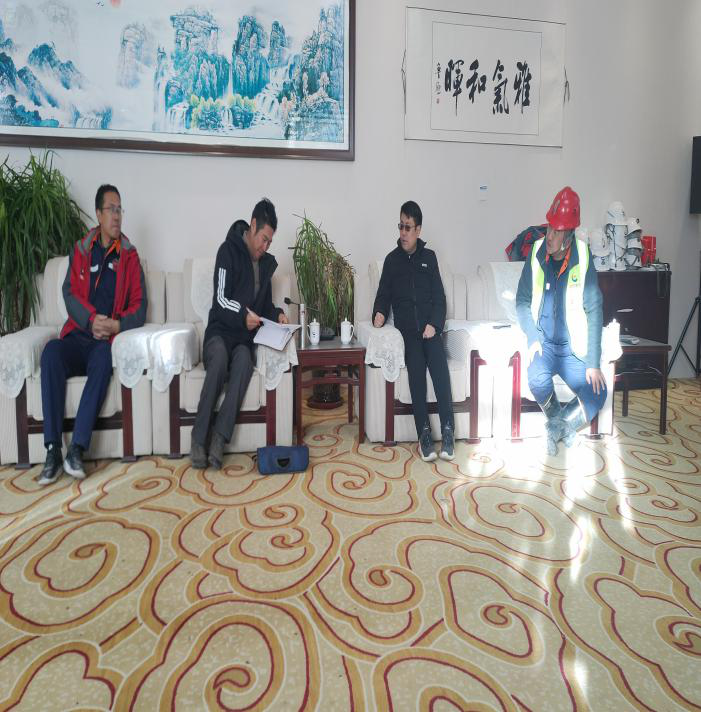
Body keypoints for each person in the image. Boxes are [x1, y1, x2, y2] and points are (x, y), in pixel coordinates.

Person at [38, 184, 147, 485]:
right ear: (98, 214)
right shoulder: (81, 250)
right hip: (78, 335)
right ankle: (52, 450)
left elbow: (140, 307)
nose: (117, 215)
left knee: (102, 362)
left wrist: (116, 325)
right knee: (51, 353)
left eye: (120, 209)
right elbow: (69, 293)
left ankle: (77, 449)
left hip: (104, 341)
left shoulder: (129, 256)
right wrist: (89, 320)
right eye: (112, 209)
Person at [190, 198, 288, 470]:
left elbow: (264, 307)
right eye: (264, 239)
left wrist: (278, 313)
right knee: (220, 358)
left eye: (270, 242)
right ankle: (198, 439)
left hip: (244, 341)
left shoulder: (265, 264)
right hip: (219, 333)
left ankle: (219, 438)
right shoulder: (228, 251)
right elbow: (221, 299)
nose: (265, 246)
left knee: (245, 361)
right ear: (253, 225)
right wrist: (243, 315)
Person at [515, 186, 607, 455]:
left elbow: (594, 309)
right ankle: (561, 427)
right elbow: (521, 301)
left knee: (598, 391)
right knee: (535, 378)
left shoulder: (583, 256)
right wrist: (532, 337)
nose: (550, 237)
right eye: (549, 229)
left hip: (571, 349)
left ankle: (556, 427)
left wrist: (593, 363)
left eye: (557, 232)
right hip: (544, 345)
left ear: (569, 237)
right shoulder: (536, 253)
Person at [372, 201, 454, 462]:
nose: (403, 232)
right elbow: (383, 295)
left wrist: (434, 325)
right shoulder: (391, 261)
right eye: (401, 226)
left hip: (431, 330)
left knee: (440, 369)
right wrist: (379, 313)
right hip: (408, 334)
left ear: (418, 230)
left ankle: (448, 431)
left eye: (408, 227)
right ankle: (424, 435)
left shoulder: (429, 258)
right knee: (416, 373)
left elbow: (440, 298)